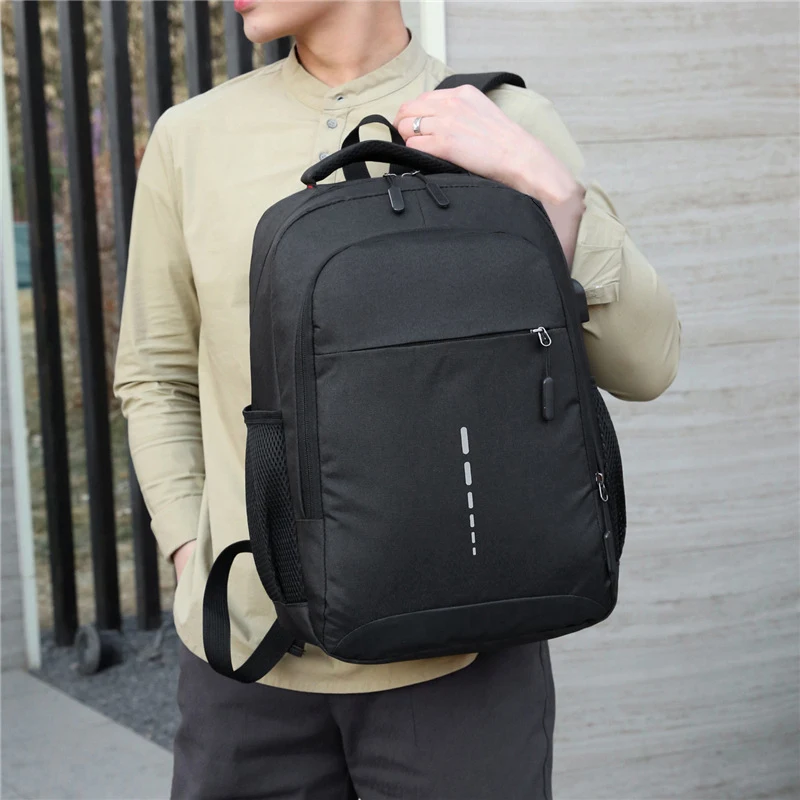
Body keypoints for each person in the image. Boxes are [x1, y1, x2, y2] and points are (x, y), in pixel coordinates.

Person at [114, 1, 681, 797]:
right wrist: (188, 549)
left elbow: (646, 364)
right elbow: (156, 375)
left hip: (463, 663)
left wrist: (552, 192)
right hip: (248, 667)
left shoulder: (504, 120)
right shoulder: (193, 139)